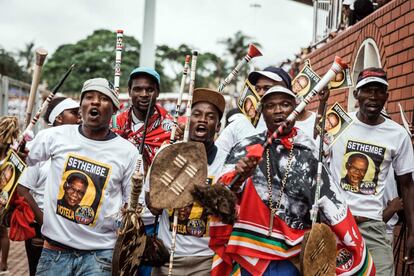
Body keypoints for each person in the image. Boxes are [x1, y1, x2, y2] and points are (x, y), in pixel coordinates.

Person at [210, 85, 374, 275]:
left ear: (295, 109)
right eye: (271, 106)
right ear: (263, 113)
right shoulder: (245, 147)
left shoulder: (310, 151)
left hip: (294, 254)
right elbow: (222, 195)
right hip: (251, 248)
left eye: (285, 104)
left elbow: (328, 199)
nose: (278, 110)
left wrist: (346, 236)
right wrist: (238, 177)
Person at [21, 78, 139, 275]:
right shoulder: (55, 136)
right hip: (54, 253)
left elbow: (132, 206)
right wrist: (19, 148)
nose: (95, 102)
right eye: (89, 97)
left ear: (114, 110)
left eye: (103, 99)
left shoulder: (128, 152)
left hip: (100, 256)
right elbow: (21, 161)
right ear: (81, 106)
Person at [329, 67, 414, 275]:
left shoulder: (398, 134)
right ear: (356, 94)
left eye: (379, 91)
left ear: (387, 96)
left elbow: (407, 185)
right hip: (336, 224)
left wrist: (413, 232)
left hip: (374, 226)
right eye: (367, 90)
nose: (373, 97)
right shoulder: (339, 125)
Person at [146, 88, 228, 276]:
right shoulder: (167, 154)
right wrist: (166, 193)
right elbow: (152, 204)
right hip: (169, 256)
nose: (202, 120)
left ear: (217, 126)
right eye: (196, 114)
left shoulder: (226, 162)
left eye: (210, 116)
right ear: (187, 120)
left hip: (207, 260)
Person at [17, 96, 81, 276]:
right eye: (74, 113)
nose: (80, 117)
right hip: (40, 229)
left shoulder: (78, 146)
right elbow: (22, 189)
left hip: (69, 229)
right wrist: (45, 224)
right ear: (59, 118)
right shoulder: (39, 146)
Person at [215, 66, 291, 154]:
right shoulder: (238, 125)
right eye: (258, 89)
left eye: (267, 88)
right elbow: (217, 156)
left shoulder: (299, 127)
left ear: (286, 90)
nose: (260, 93)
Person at [114, 67, 175, 171]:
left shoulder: (172, 129)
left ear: (157, 92)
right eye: (137, 89)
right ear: (129, 92)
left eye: (150, 90)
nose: (144, 94)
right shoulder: (115, 124)